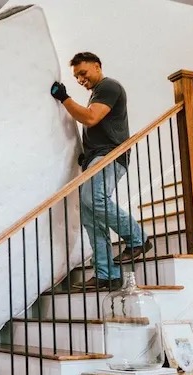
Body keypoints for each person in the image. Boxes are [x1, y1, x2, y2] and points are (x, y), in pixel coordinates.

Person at [50, 52, 151, 289]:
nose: (80, 79)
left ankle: (138, 238)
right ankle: (107, 275)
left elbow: (91, 118)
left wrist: (64, 98)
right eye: (76, 76)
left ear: (97, 66)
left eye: (83, 73)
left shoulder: (109, 86)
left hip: (110, 155)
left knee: (93, 199)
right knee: (89, 215)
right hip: (97, 157)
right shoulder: (97, 93)